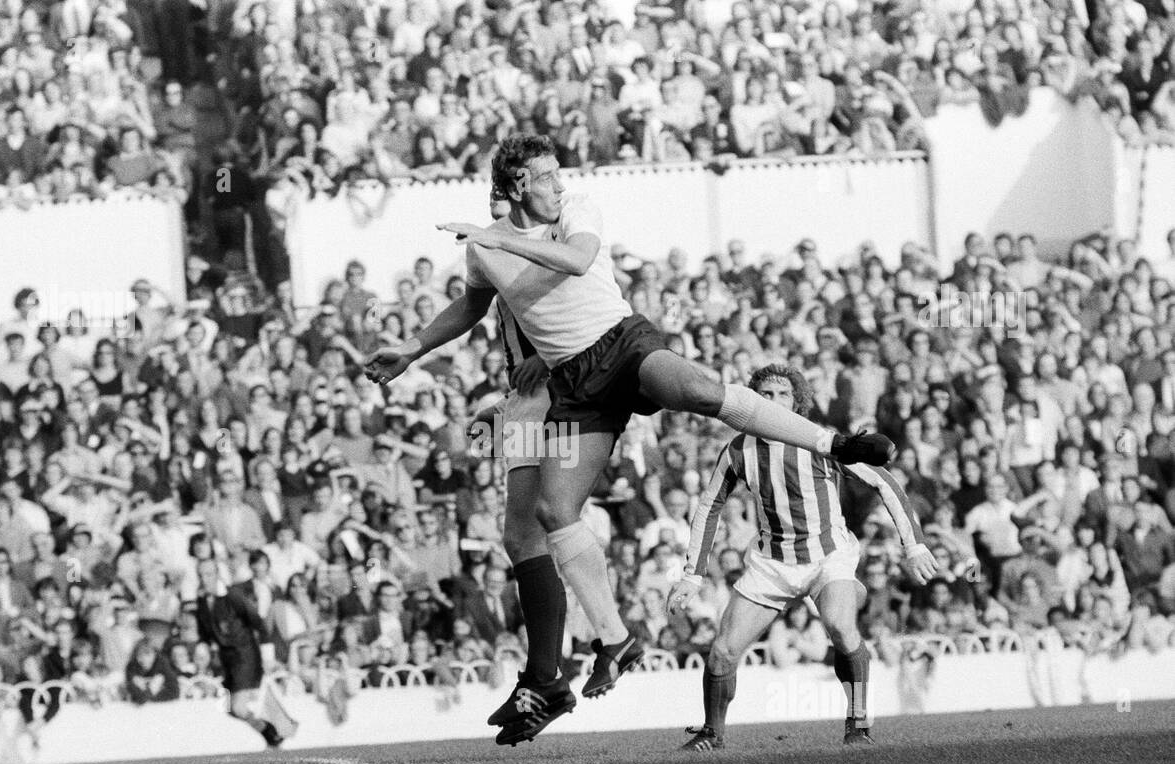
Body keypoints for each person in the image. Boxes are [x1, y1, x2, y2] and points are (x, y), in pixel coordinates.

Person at [366, 133, 892, 708]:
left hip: (619, 346)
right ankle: (606, 644)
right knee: (543, 516)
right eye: (545, 177)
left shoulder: (573, 210)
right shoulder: (483, 249)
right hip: (559, 389)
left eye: (556, 173)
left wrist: (495, 239)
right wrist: (412, 349)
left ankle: (834, 443)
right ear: (514, 186)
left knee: (700, 390)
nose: (558, 184)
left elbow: (578, 259)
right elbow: (471, 305)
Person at [667, 364, 937, 750]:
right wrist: (692, 576)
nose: (773, 402)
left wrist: (915, 545)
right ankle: (712, 733)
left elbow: (884, 481)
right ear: (753, 402)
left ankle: (858, 725)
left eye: (782, 395)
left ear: (798, 402)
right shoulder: (739, 450)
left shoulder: (819, 440)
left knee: (841, 628)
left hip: (829, 556)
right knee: (723, 652)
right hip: (771, 563)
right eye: (765, 395)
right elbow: (709, 507)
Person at [193, 556, 298, 747]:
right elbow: (206, 633)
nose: (204, 579)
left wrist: (267, 657)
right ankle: (271, 734)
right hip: (227, 660)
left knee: (238, 707)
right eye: (200, 575)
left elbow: (258, 624)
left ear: (217, 574)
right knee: (229, 708)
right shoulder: (201, 601)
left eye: (208, 574)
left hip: (245, 655)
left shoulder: (232, 596)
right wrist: (204, 646)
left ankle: (273, 732)